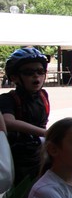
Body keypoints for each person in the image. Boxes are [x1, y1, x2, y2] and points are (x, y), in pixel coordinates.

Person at [0, 48, 50, 185]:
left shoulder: (43, 96)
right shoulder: (8, 99)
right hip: (18, 158)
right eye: (29, 72)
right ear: (14, 77)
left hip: (40, 151)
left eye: (40, 71)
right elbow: (9, 122)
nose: (36, 76)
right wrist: (46, 133)